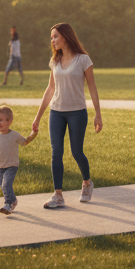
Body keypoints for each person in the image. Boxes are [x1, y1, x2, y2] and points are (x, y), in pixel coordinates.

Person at [31, 23, 101, 210]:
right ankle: (58, 195)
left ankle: (86, 182)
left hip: (77, 112)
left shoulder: (83, 60)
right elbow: (50, 89)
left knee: (76, 152)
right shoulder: (55, 61)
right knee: (56, 153)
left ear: (65, 36)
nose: (52, 41)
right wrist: (38, 117)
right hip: (56, 112)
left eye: (55, 36)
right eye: (51, 37)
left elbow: (92, 88)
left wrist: (98, 115)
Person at [0, 104, 37, 215]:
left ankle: (8, 204)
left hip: (12, 165)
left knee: (6, 185)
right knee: (3, 186)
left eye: (1, 120)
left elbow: (25, 142)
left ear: (10, 121)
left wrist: (34, 133)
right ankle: (13, 200)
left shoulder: (14, 135)